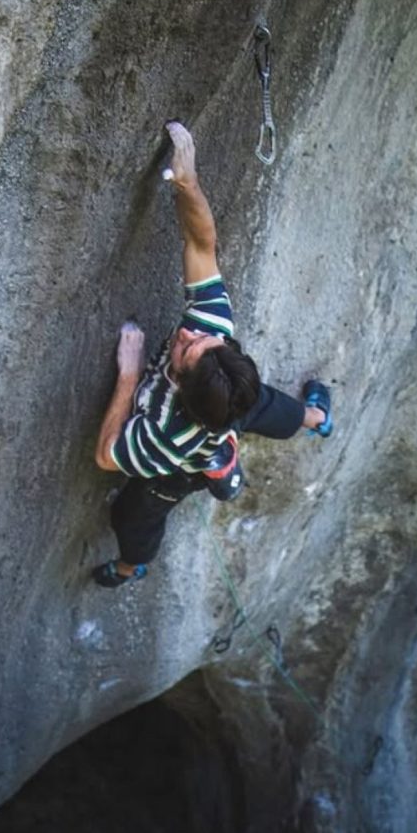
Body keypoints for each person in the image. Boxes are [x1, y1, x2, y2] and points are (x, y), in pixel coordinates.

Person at [92, 121, 333, 587]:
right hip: (231, 398)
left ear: (178, 385)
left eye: (184, 350)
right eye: (198, 339)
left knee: (135, 514)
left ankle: (130, 566)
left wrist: (129, 374)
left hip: (184, 458)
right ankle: (316, 417)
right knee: (267, 405)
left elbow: (106, 455)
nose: (185, 334)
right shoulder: (213, 332)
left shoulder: (167, 436)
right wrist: (188, 183)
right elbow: (201, 243)